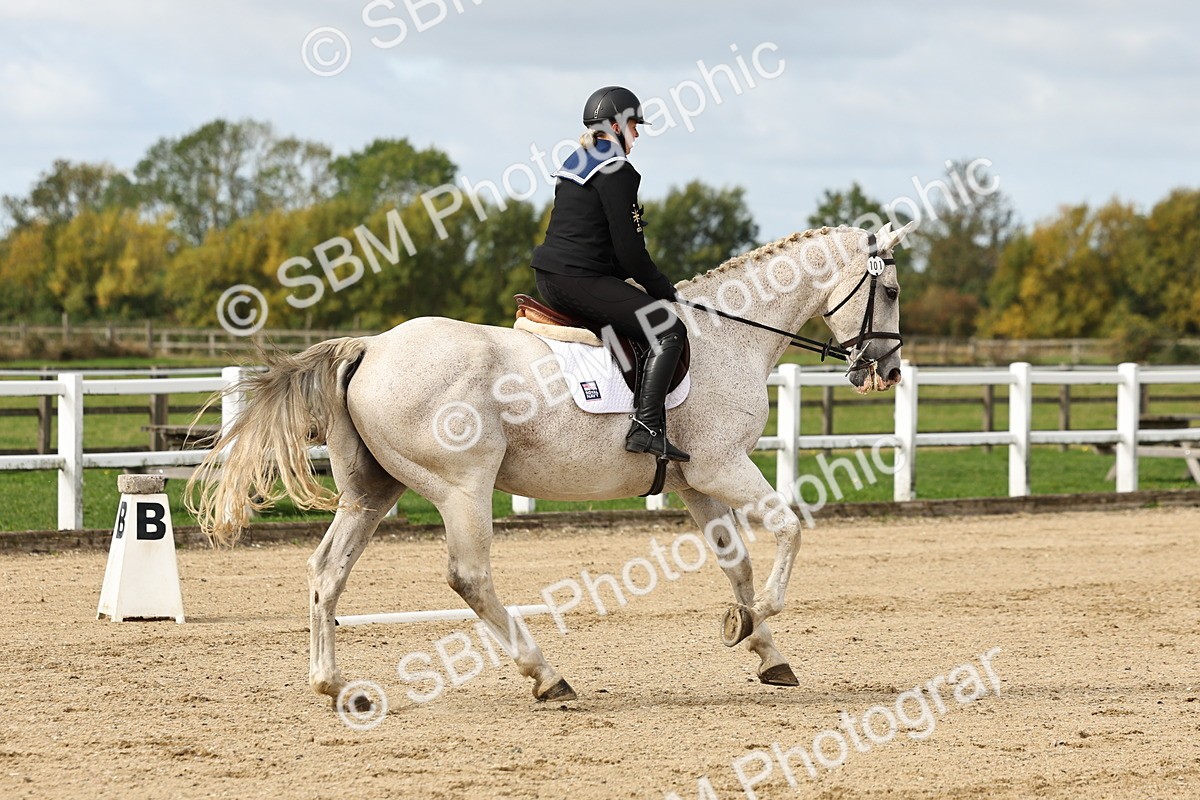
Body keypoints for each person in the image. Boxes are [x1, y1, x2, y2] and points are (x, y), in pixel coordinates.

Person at [531, 86, 690, 463]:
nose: (638, 134)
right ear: (617, 126)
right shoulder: (618, 169)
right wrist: (663, 289)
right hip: (579, 280)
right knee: (667, 328)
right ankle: (647, 427)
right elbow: (631, 254)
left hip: (551, 277)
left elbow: (601, 242)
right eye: (634, 125)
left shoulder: (579, 159)